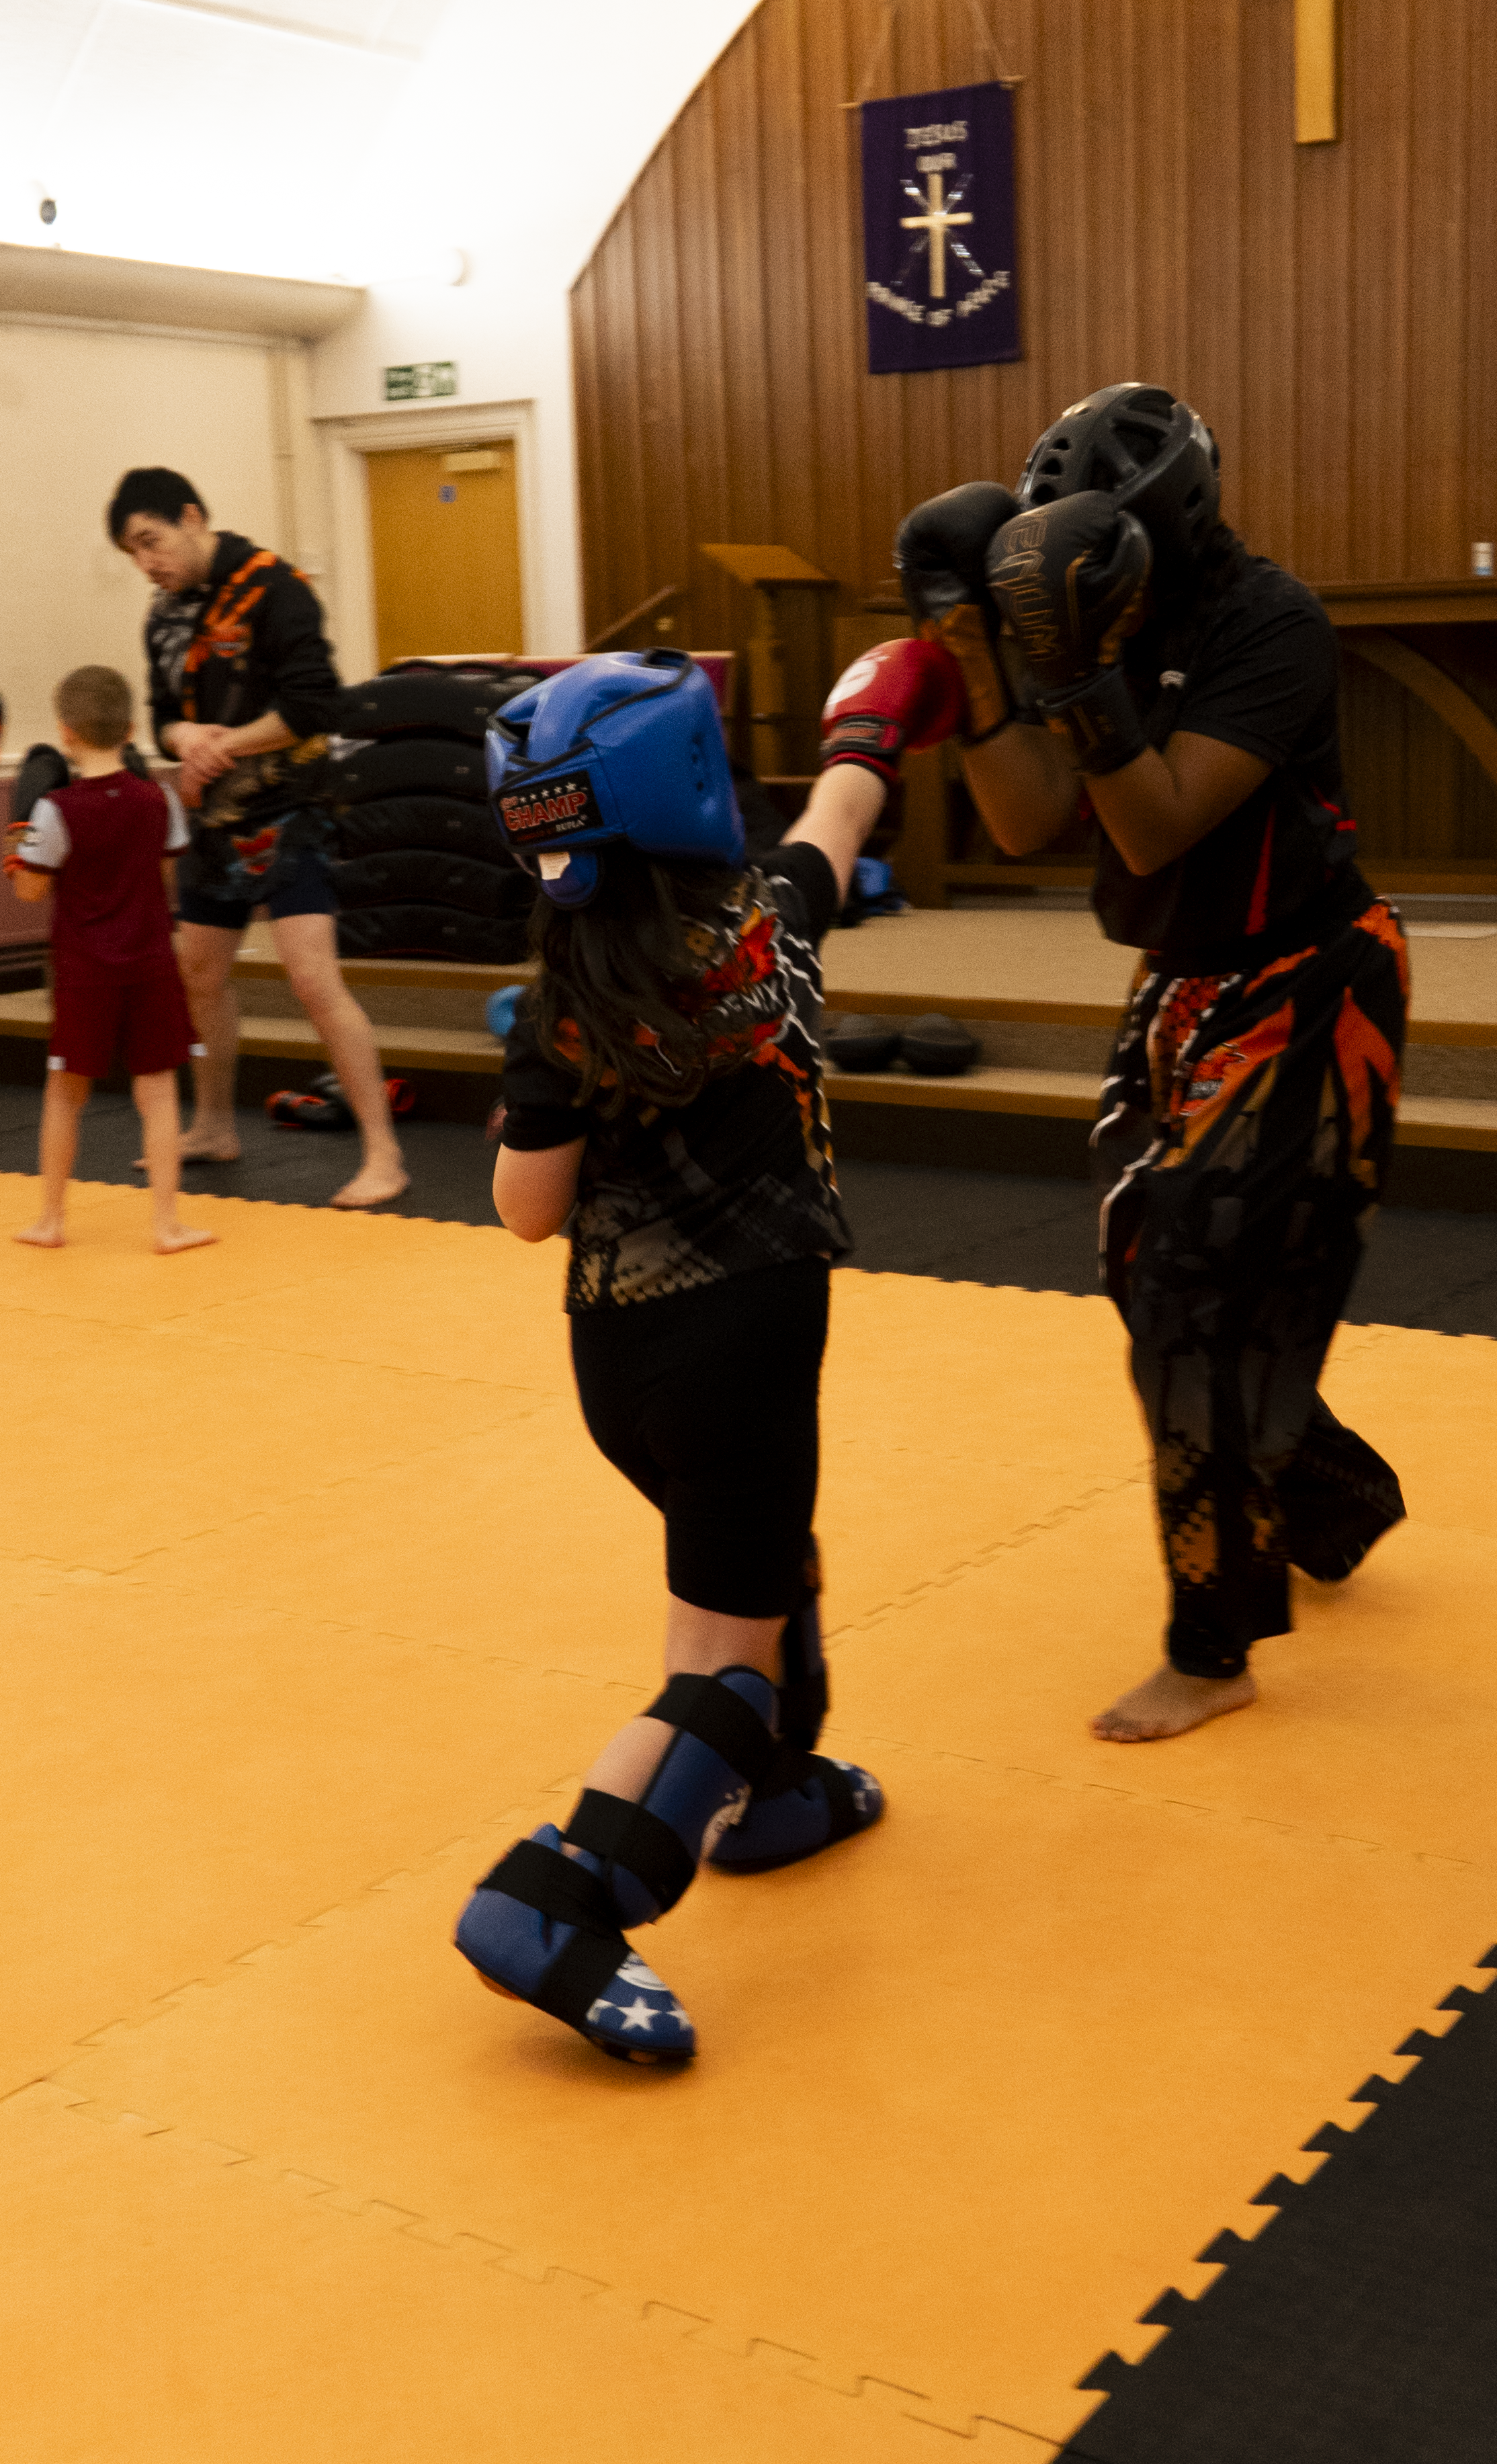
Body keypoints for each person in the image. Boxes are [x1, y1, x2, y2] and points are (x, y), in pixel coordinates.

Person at [454, 641, 961, 2065]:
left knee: (764, 1568)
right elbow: (836, 822)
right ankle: (554, 1901)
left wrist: (533, 1105)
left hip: (620, 1364)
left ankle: (779, 1792)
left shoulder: (565, 995)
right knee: (719, 1666)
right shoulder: (771, 928)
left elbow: (523, 1213)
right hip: (741, 1352)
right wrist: (872, 714)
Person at [895, 383, 1408, 1743]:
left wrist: (1070, 673)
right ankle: (1334, 1499)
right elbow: (1024, 823)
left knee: (1194, 1298)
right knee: (1146, 1275)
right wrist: (971, 650)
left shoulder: (1269, 624)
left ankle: (1213, 1643)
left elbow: (1158, 827)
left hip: (1310, 978)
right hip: (1178, 988)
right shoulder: (1056, 601)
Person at [108, 466, 409, 1210]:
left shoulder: (277, 588)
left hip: (291, 812)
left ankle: (384, 1153)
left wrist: (224, 744)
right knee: (198, 972)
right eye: (133, 553)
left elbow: (314, 703)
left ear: (192, 516)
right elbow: (159, 713)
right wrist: (183, 734)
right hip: (214, 822)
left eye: (152, 541)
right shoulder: (164, 614)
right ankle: (212, 1125)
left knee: (312, 977)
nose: (149, 562)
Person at [4, 665, 214, 1256]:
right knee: (159, 1091)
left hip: (84, 970)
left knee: (66, 1092)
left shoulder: (55, 810)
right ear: (130, 728)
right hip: (150, 962)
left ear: (64, 732)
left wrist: (14, 837)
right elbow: (167, 873)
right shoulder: (159, 799)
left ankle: (50, 1219)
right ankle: (168, 1225)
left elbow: (30, 891)